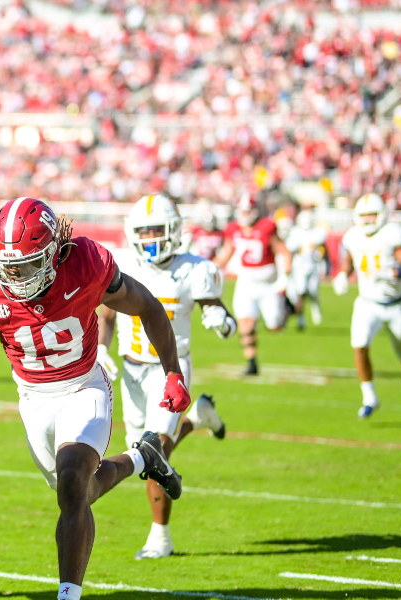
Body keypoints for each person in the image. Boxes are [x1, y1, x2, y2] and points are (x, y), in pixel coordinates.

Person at [0, 197, 189, 600]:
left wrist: (172, 371)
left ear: (54, 252)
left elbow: (148, 306)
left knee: (71, 481)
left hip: (83, 386)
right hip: (33, 397)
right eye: (8, 264)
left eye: (29, 263)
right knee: (80, 494)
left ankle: (68, 594)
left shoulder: (85, 264)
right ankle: (143, 456)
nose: (16, 275)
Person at [96, 194, 234, 560]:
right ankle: (198, 418)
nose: (152, 238)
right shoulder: (122, 264)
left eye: (158, 230)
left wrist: (223, 322)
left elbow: (218, 311)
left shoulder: (193, 269)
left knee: (152, 451)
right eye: (145, 231)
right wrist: (102, 349)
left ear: (175, 231)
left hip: (171, 369)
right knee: (145, 448)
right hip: (131, 369)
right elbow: (107, 316)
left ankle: (161, 537)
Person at [332, 193, 401, 419]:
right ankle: (369, 396)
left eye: (372, 215)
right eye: (364, 215)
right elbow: (350, 259)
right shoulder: (353, 236)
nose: (368, 220)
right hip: (368, 302)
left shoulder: (391, 234)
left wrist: (392, 272)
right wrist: (343, 274)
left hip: (396, 305)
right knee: (359, 345)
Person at [214, 195, 292, 375]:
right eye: (242, 211)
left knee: (274, 326)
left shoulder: (266, 228)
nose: (245, 214)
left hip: (268, 284)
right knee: (245, 325)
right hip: (246, 283)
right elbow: (225, 254)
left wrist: (285, 277)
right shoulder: (233, 230)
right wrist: (207, 267)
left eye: (248, 210)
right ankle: (251, 362)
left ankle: (286, 310)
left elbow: (284, 252)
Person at [286, 209, 328, 329]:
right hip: (299, 267)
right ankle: (301, 319)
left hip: (314, 265)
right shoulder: (296, 232)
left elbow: (323, 249)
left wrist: (323, 263)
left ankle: (316, 307)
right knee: (301, 292)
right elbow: (291, 250)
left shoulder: (317, 232)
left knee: (313, 291)